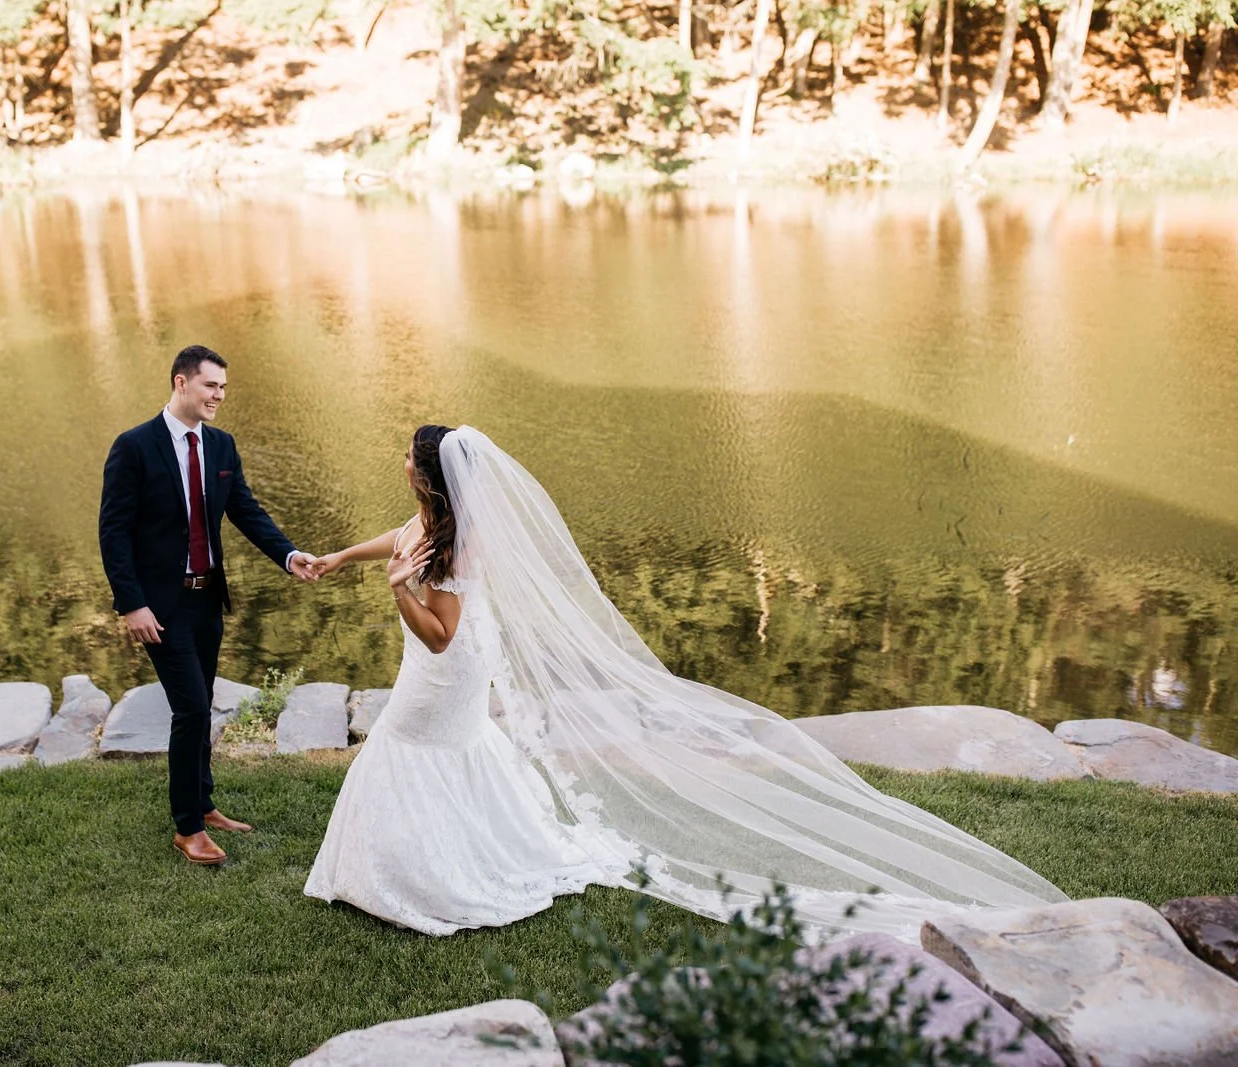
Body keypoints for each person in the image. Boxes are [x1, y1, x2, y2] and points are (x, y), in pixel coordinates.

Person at [305, 424, 1067, 941]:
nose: (402, 458)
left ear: (427, 474)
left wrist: (400, 592)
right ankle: (455, 849)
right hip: (448, 655)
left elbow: (437, 637)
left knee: (410, 738)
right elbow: (398, 538)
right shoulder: (429, 520)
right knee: (451, 746)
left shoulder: (457, 543)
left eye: (409, 453)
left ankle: (432, 876)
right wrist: (345, 557)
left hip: (446, 664)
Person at [99, 344, 319, 868]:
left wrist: (288, 555)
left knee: (201, 703)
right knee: (192, 707)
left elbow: (245, 509)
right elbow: (113, 533)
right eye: (210, 385)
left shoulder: (221, 446)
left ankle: (204, 802)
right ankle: (188, 828)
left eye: (222, 387)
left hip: (206, 600)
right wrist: (132, 604)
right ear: (181, 383)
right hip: (160, 607)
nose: (219, 395)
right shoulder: (133, 447)